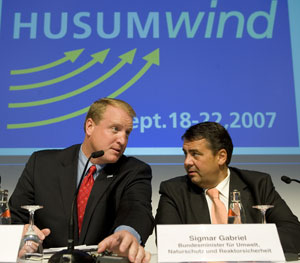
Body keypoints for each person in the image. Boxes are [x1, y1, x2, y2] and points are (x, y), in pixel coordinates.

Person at [9, 98, 154, 263]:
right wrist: (21, 234)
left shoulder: (133, 170)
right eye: (115, 129)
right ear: (90, 126)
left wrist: (128, 233)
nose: (122, 140)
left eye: (127, 133)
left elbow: (137, 210)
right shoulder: (41, 164)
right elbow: (15, 217)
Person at [155, 121, 300, 254]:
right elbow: (167, 242)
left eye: (195, 154)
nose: (187, 162)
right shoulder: (173, 190)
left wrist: (243, 245)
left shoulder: (258, 184)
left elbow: (293, 233)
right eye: (185, 154)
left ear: (221, 157)